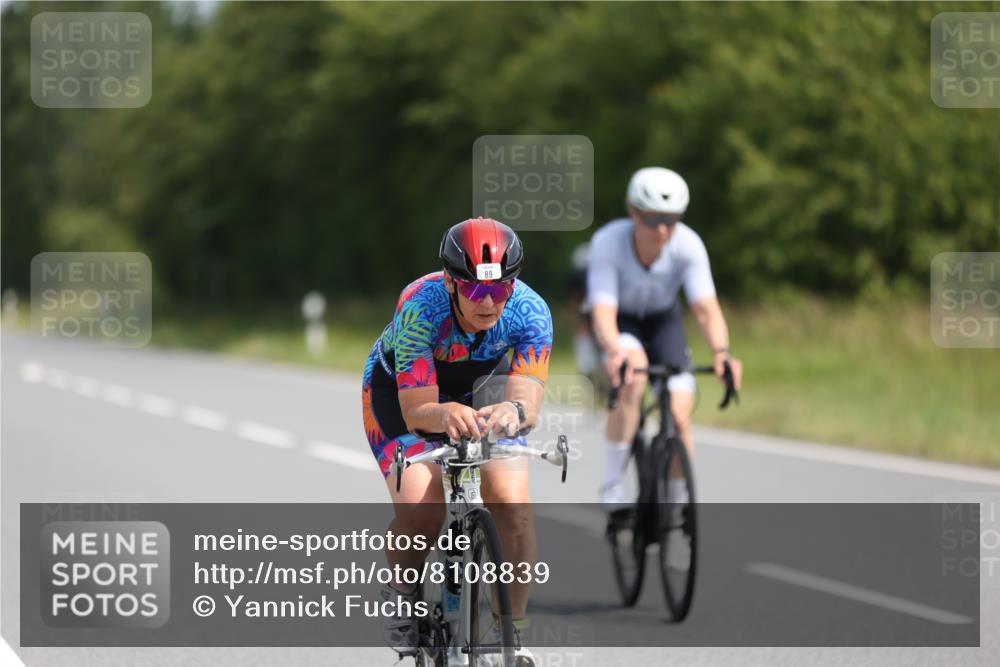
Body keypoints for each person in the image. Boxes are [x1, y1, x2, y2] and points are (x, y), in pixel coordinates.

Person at [361, 217, 552, 665]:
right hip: (403, 393)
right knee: (422, 508)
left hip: (481, 386)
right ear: (450, 280)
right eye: (476, 291)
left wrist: (514, 411)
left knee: (513, 505)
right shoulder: (420, 307)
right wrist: (445, 412)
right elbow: (416, 410)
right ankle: (403, 595)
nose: (489, 303)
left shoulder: (532, 311)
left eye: (501, 289)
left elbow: (528, 400)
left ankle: (514, 637)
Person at [587, 167, 744, 509]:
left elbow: (706, 309)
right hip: (622, 321)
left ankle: (675, 510)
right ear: (633, 212)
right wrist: (614, 352)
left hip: (663, 321)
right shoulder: (609, 242)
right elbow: (602, 310)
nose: (662, 230)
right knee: (632, 378)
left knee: (679, 411)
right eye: (652, 220)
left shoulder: (688, 245)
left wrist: (722, 352)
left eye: (671, 221)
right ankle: (612, 483)